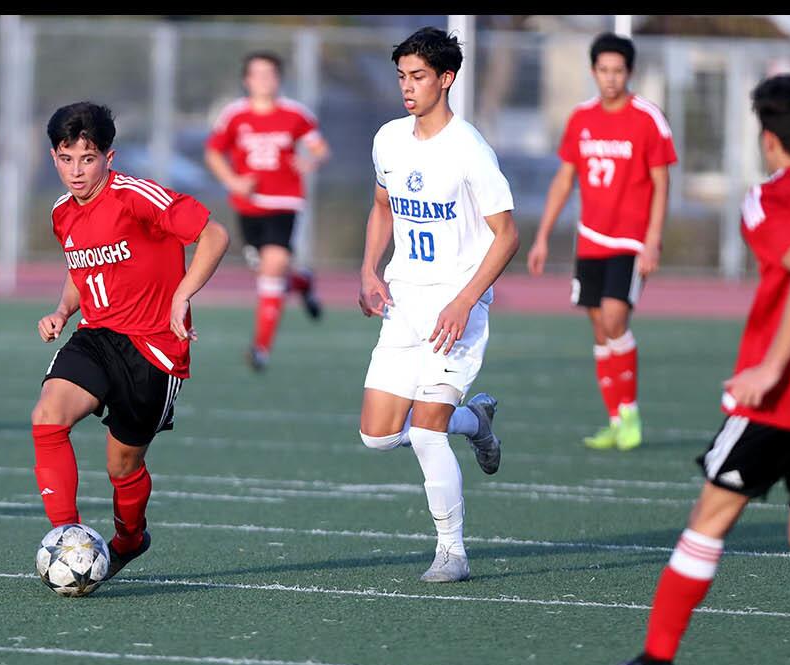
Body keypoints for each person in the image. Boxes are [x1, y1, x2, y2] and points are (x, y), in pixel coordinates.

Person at [614, 72, 790, 665]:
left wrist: (769, 370)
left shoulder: (769, 197)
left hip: (780, 402)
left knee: (708, 522)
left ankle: (657, 662)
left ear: (769, 140)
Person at [30, 102, 230, 582]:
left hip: (154, 349)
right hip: (96, 336)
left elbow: (214, 234)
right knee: (47, 417)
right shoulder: (62, 213)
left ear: (109, 157)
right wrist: (62, 310)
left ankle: (129, 539)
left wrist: (183, 295)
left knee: (122, 465)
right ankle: (67, 539)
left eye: (87, 158)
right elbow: (82, 268)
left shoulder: (135, 196)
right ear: (54, 158)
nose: (76, 171)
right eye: (65, 158)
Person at [357, 27, 519, 583]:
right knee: (377, 436)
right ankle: (476, 422)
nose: (407, 86)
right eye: (402, 76)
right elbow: (382, 206)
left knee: (426, 433)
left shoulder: (470, 149)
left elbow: (507, 236)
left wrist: (465, 300)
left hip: (458, 310)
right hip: (403, 306)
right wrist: (368, 269)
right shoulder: (388, 139)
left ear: (446, 79)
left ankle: (452, 550)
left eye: (418, 76)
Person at [527, 33, 677, 451]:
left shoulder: (647, 118)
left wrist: (653, 240)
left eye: (618, 71)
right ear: (594, 71)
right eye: (603, 70)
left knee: (615, 319)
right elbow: (564, 179)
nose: (610, 78)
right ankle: (613, 420)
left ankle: (630, 414)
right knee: (598, 327)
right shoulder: (581, 118)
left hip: (630, 242)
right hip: (590, 238)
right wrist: (542, 236)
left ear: (629, 72)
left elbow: (662, 183)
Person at [205, 51, 330, 371]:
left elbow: (319, 148)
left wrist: (309, 160)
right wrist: (233, 181)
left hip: (284, 203)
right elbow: (214, 153)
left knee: (273, 266)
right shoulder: (234, 115)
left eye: (270, 74)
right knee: (269, 271)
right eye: (257, 74)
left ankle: (260, 348)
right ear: (247, 80)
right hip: (248, 207)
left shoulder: (294, 114)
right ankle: (301, 283)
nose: (264, 80)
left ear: (279, 79)